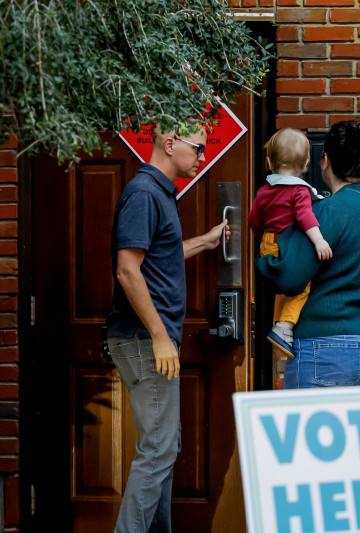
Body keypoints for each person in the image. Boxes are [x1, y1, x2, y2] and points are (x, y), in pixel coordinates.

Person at [106, 124, 228, 533]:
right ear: (169, 143)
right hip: (145, 339)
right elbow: (128, 270)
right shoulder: (143, 193)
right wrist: (160, 336)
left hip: (150, 338)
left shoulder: (159, 194)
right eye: (198, 148)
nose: (202, 157)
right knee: (158, 449)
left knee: (164, 448)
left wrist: (204, 242)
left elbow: (158, 255)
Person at [255, 119, 360, 389]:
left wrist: (263, 260)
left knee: (309, 433)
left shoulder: (328, 211)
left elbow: (288, 276)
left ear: (325, 161)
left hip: (328, 348)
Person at [248, 128, 332, 358]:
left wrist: (262, 237)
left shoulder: (265, 190)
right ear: (306, 163)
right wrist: (319, 241)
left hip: (268, 243)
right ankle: (285, 326)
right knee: (302, 286)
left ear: (268, 161)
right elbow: (306, 217)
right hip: (289, 245)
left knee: (283, 289)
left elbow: (253, 219)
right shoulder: (299, 191)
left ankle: (280, 328)